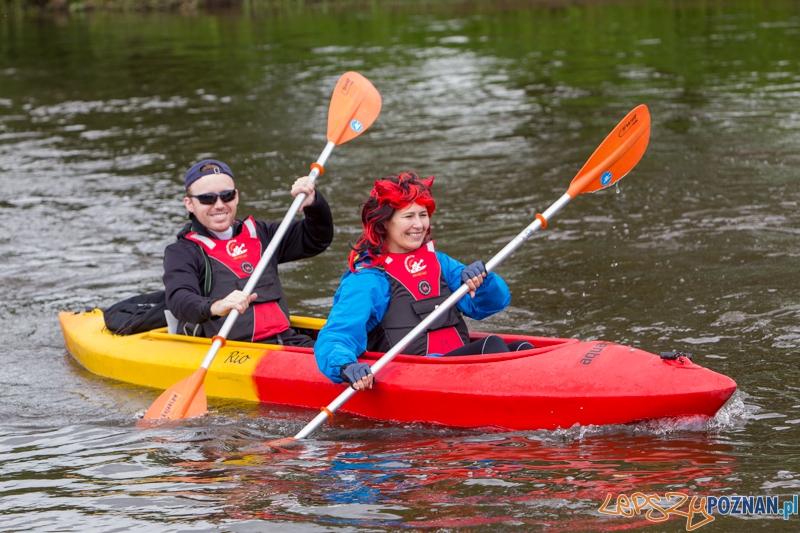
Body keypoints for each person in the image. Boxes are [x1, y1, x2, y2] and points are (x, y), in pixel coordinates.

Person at [314, 171, 532, 390]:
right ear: (384, 223)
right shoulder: (368, 279)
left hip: (456, 368)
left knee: (523, 348)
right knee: (491, 344)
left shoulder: (440, 263)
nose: (419, 225)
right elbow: (336, 335)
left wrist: (484, 281)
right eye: (408, 216)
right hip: (415, 377)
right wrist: (346, 366)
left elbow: (491, 304)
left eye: (423, 215)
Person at [163, 159, 333, 346]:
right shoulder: (183, 252)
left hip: (286, 340)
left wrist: (313, 203)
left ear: (236, 196)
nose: (219, 205)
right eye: (207, 198)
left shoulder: (260, 234)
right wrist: (217, 306)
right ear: (189, 204)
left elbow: (316, 239)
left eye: (226, 196)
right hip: (232, 350)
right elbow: (179, 299)